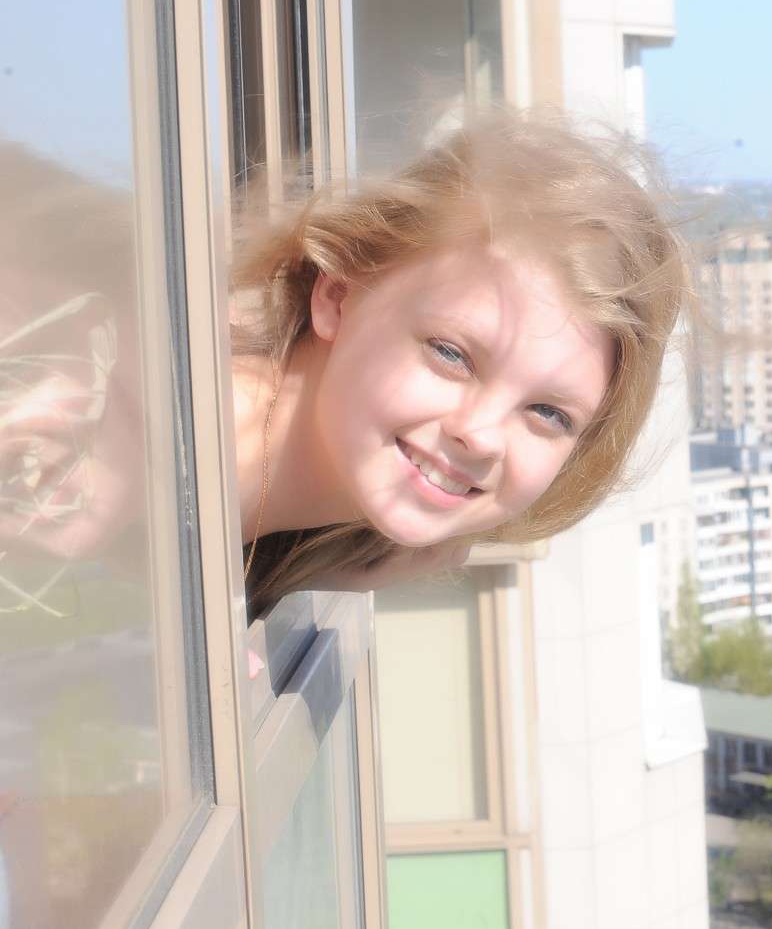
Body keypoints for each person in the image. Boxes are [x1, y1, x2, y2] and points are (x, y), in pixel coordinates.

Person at [231, 112, 690, 616]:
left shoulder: (308, 519)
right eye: (450, 355)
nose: (482, 436)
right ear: (338, 294)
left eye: (547, 414)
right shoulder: (203, 453)